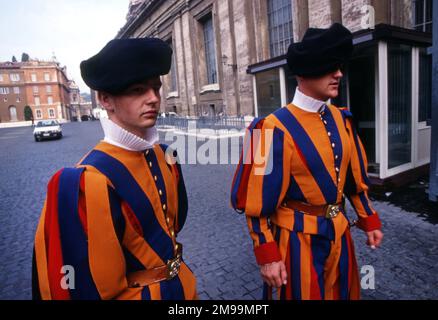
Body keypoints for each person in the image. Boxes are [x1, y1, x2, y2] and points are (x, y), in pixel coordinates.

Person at [32, 38, 197, 300]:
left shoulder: (165, 156)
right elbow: (81, 286)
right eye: (137, 90)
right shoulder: (88, 182)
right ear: (105, 99)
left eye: (156, 87)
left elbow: (175, 223)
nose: (153, 98)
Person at [231, 23, 383, 300]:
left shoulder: (342, 118)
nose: (339, 73)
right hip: (296, 242)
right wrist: (266, 254)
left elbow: (353, 180)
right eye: (329, 66)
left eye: (339, 65)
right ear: (304, 72)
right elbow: (255, 203)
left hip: (339, 234)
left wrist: (368, 219)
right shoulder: (265, 128)